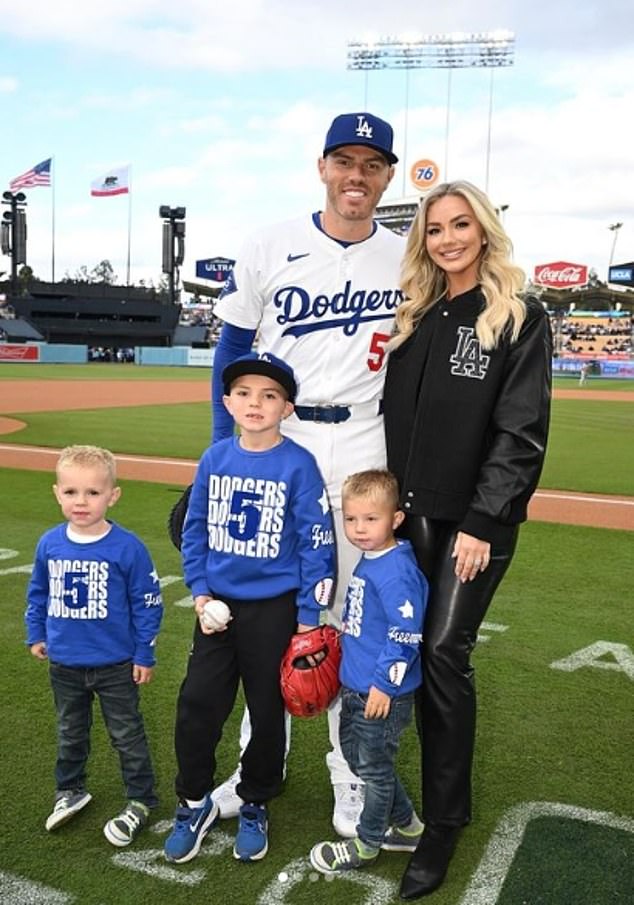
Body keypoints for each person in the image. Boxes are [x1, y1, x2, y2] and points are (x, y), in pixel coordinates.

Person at [209, 111, 405, 836]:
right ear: (322, 166)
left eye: (373, 163)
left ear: (387, 175)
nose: (357, 175)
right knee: (266, 613)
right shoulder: (269, 244)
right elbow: (232, 351)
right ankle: (260, 759)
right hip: (279, 441)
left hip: (364, 440)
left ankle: (350, 772)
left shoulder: (406, 255)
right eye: (345, 160)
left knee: (355, 618)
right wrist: (217, 460)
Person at [383, 180, 552, 899]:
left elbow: (520, 432)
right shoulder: (417, 314)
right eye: (436, 228)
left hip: (473, 522)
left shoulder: (518, 314)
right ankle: (400, 792)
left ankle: (444, 822)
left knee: (445, 653)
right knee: (410, 648)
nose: (448, 237)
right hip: (411, 516)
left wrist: (484, 520)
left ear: (483, 230)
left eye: (461, 224)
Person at [164, 352, 335, 865]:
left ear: (287, 407)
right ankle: (193, 801)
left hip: (275, 611)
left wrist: (309, 615)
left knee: (266, 711)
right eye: (243, 393)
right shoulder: (215, 458)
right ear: (226, 401)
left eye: (269, 395)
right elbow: (194, 531)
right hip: (217, 606)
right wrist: (199, 592)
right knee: (198, 705)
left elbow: (317, 544)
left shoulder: (299, 464)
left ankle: (255, 799)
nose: (255, 403)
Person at [25, 445, 163, 847]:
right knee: (70, 731)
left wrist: (144, 653)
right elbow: (39, 593)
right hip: (65, 663)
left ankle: (140, 798)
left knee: (126, 734)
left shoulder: (127, 547)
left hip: (115, 664)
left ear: (112, 495)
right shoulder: (50, 544)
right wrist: (36, 632)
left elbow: (147, 603)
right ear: (57, 493)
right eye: (71, 492)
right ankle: (69, 790)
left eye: (92, 493)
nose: (80, 502)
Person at [309, 469, 427, 875]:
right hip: (354, 688)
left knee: (374, 772)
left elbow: (405, 635)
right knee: (363, 763)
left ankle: (367, 844)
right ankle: (409, 827)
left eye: (370, 519)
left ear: (395, 519)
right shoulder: (372, 557)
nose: (358, 529)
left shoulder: (396, 570)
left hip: (380, 695)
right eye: (351, 519)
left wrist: (383, 686)